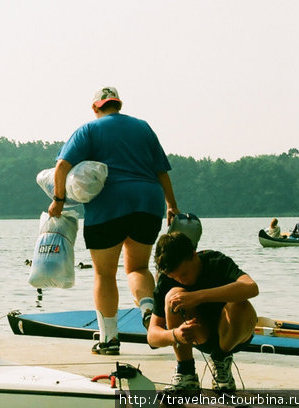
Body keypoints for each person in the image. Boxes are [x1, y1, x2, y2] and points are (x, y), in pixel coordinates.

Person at [48, 87, 179, 355]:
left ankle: (109, 340)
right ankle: (147, 309)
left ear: (96, 108)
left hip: (109, 204)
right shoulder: (143, 128)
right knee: (138, 268)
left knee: (104, 274)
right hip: (147, 202)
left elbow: (62, 167)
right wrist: (172, 205)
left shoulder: (89, 130)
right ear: (118, 105)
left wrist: (58, 201)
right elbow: (161, 171)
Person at [147, 232, 258, 392]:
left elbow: (251, 287)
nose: (181, 280)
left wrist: (198, 297)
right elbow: (152, 336)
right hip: (199, 334)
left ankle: (221, 361)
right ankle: (186, 372)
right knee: (173, 296)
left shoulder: (216, 261)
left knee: (240, 303)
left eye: (184, 273)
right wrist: (175, 335)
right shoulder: (167, 280)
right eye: (174, 277)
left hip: (233, 334)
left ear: (194, 255)